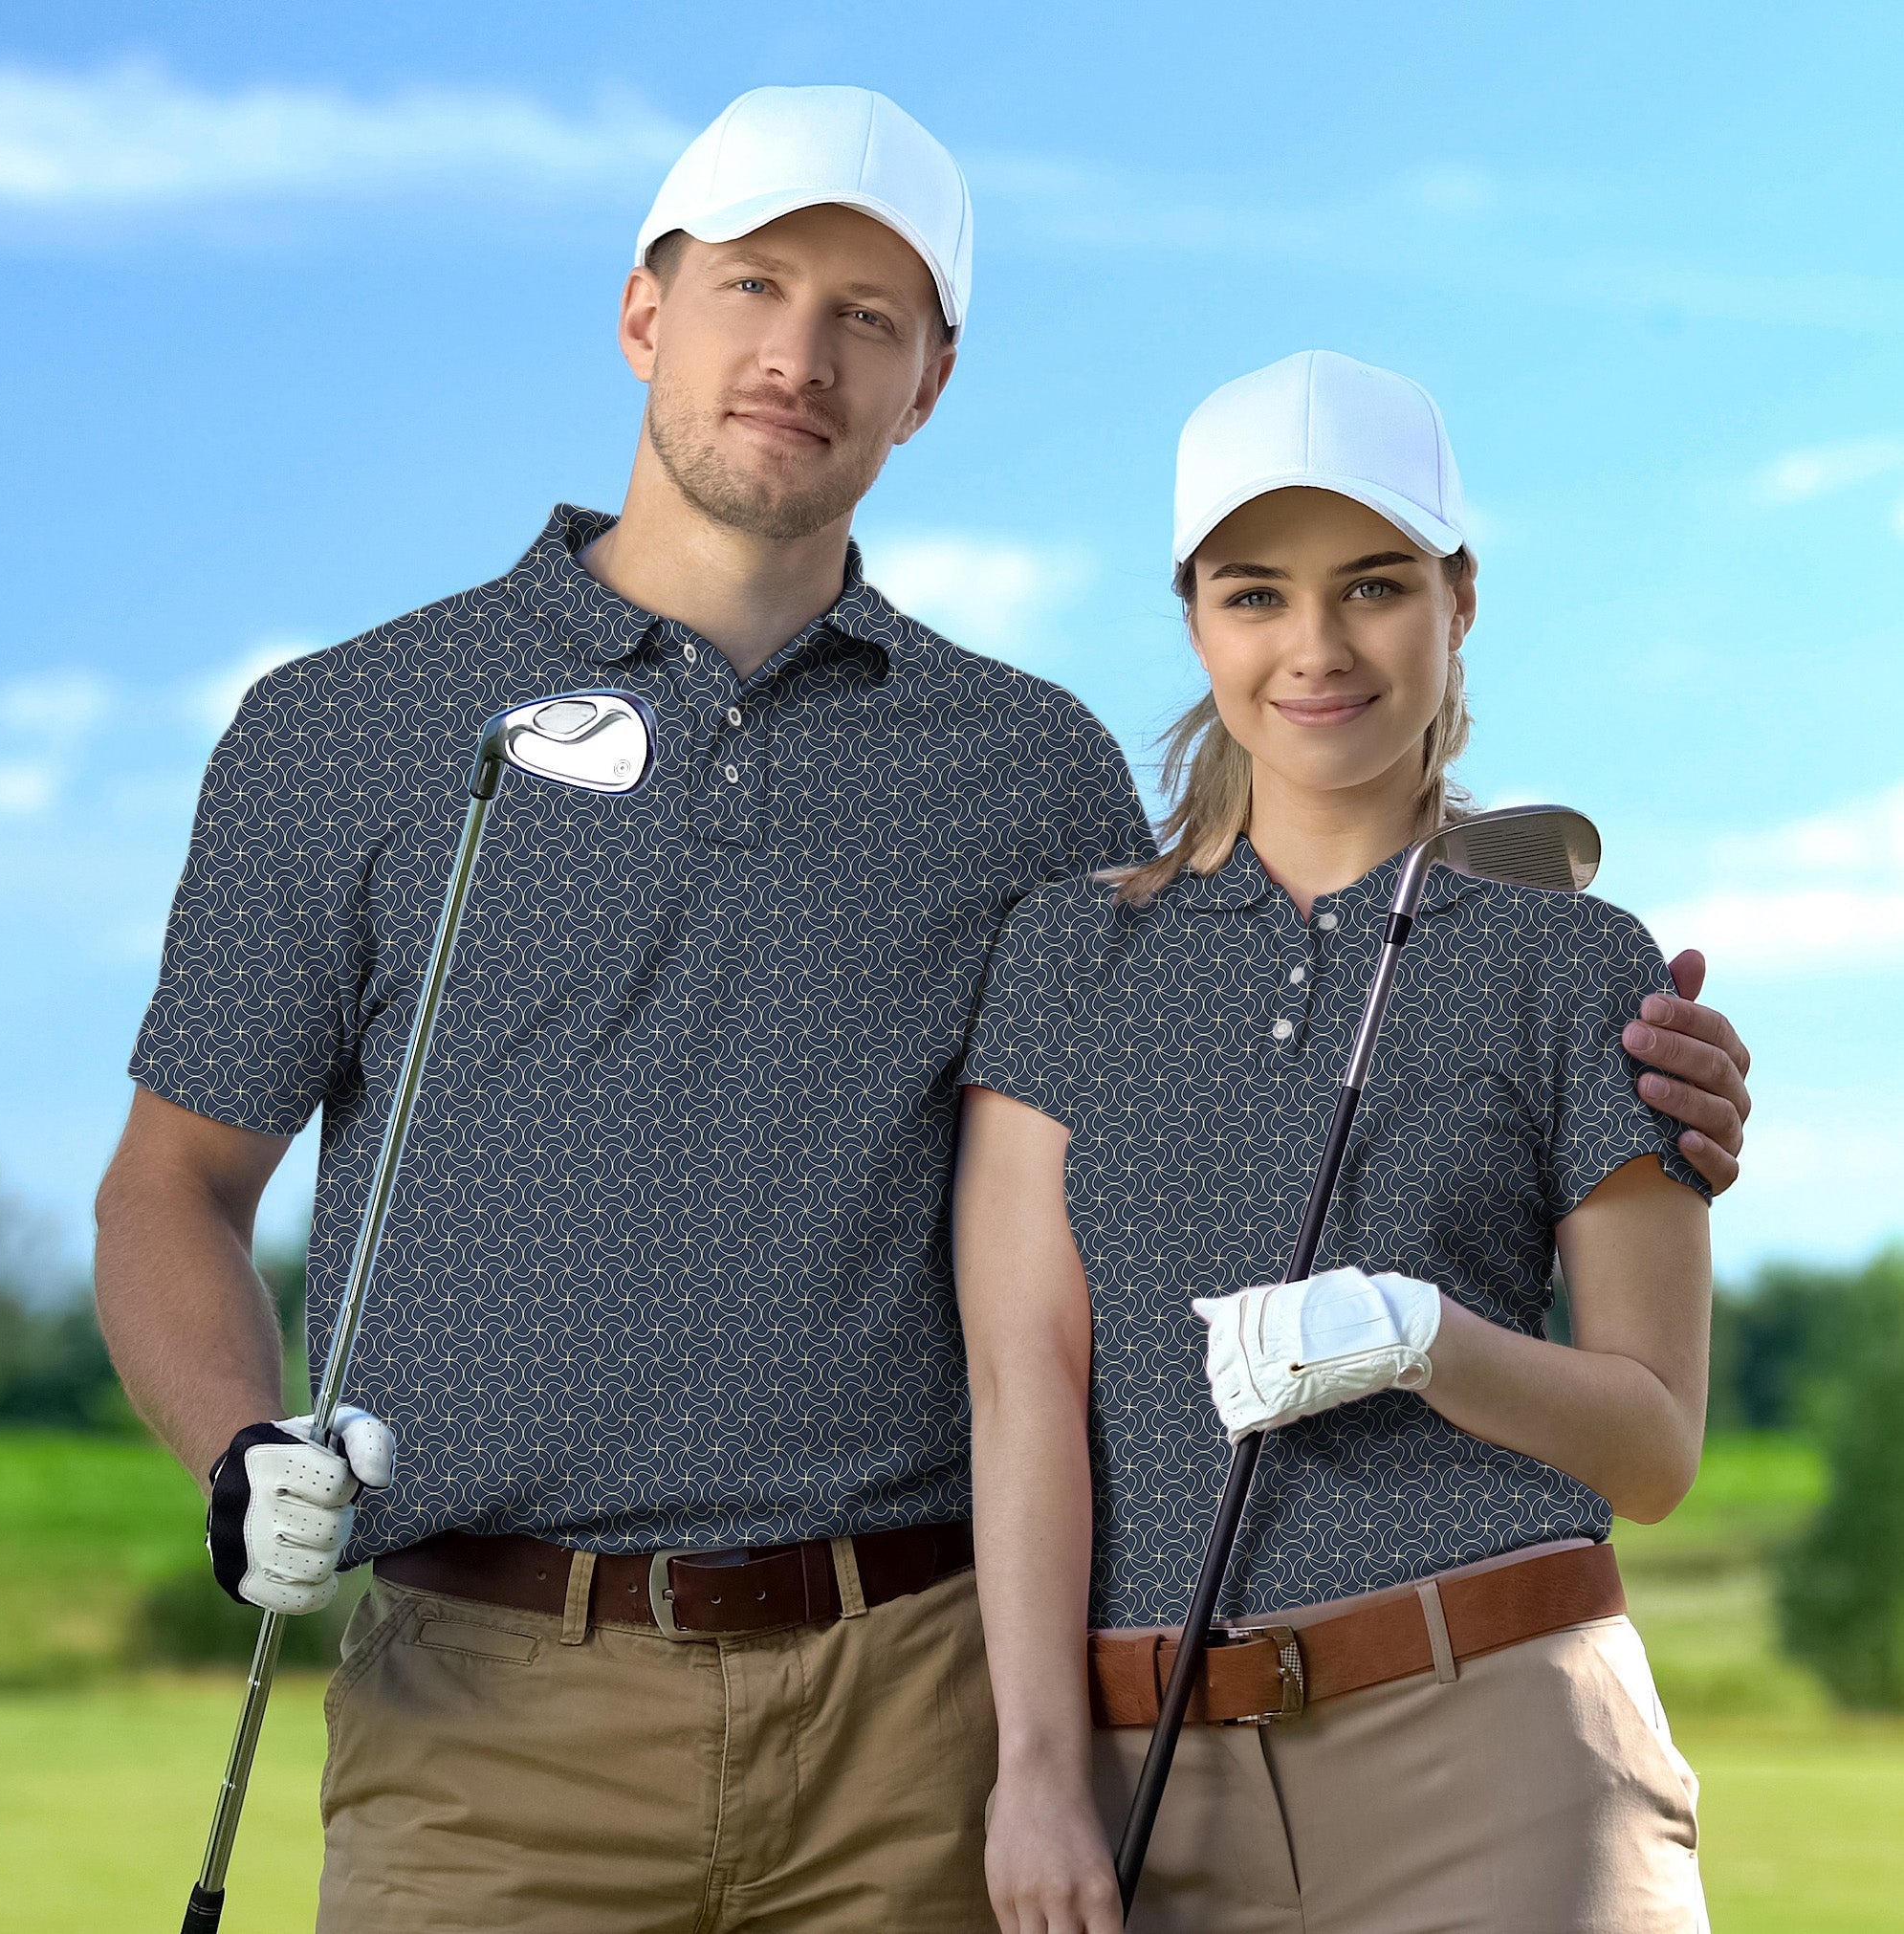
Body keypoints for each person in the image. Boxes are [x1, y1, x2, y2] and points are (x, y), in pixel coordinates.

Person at [90, 80, 1749, 1931]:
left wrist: (1586, 1017)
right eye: (751, 285)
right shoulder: (349, 726)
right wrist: (240, 1448)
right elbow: (173, 1186)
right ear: (642, 310)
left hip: (918, 1713)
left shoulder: (1026, 763)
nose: (798, 356)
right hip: (486, 1716)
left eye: (865, 317)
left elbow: (1236, 1027)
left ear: (929, 382)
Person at [956, 351, 1720, 1933]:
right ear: (1193, 619)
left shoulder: (1578, 960)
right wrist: (1033, 1765)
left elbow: (1650, 1449)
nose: (1314, 646)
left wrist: (1419, 1336)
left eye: (1372, 584)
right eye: (1256, 594)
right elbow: (1024, 1381)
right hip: (1153, 1775)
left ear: (1457, 600)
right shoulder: (1064, 956)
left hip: (1502, 1745)